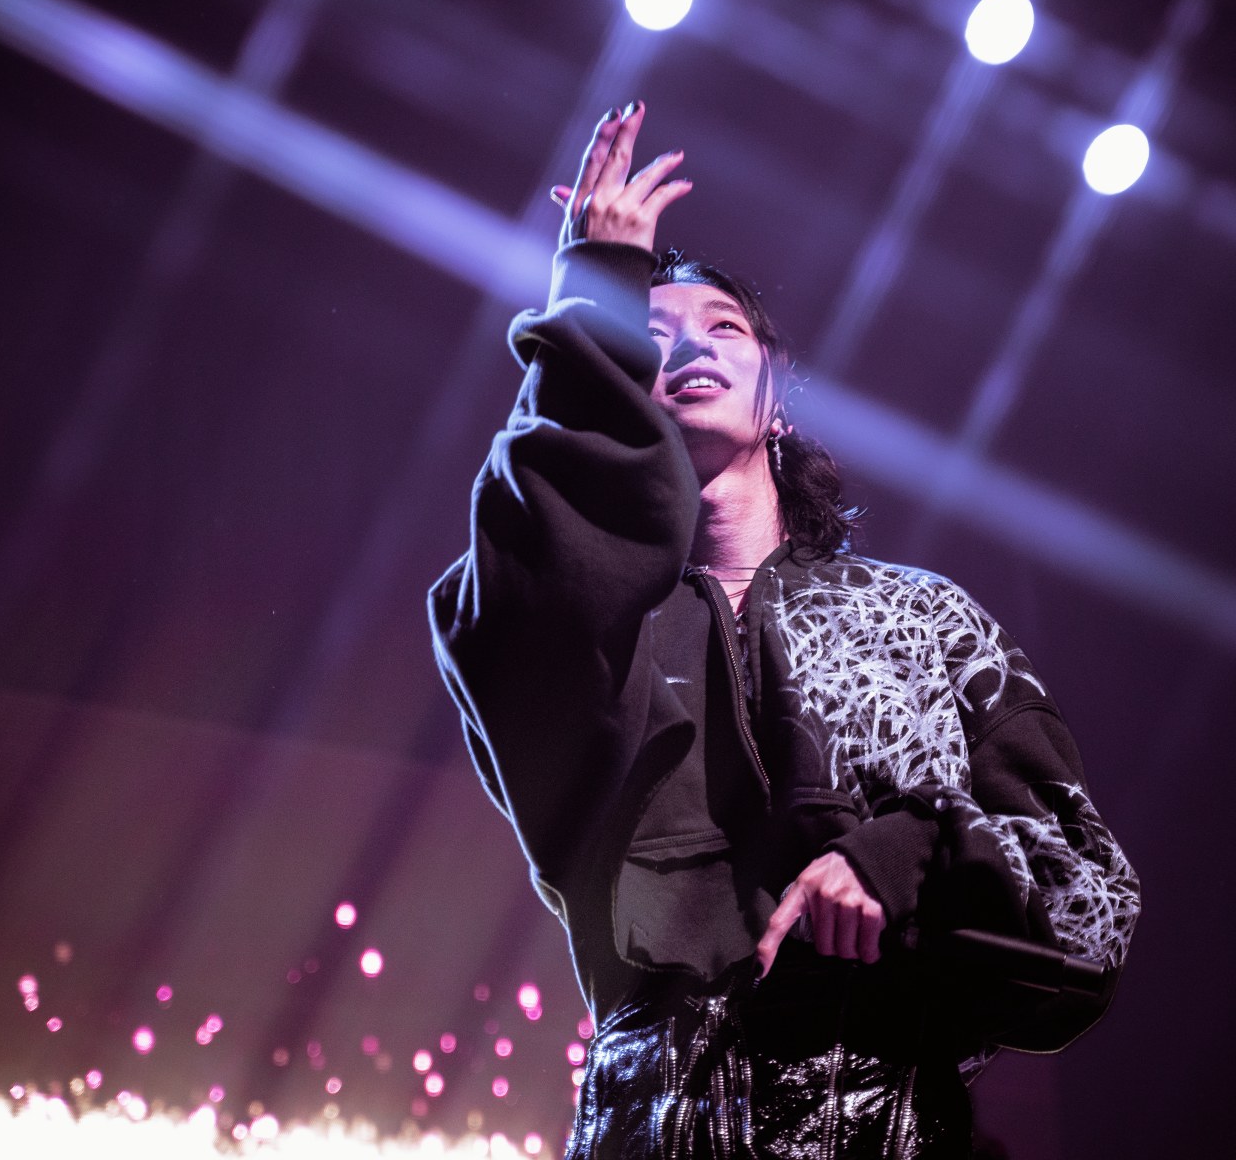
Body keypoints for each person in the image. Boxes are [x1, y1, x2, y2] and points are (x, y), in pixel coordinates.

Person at [429, 102, 1139, 1159]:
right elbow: (542, 563)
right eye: (646, 336)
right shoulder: (568, 626)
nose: (688, 346)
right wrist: (593, 294)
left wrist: (906, 856)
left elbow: (1091, 899)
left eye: (724, 328)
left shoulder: (925, 619)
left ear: (779, 393)